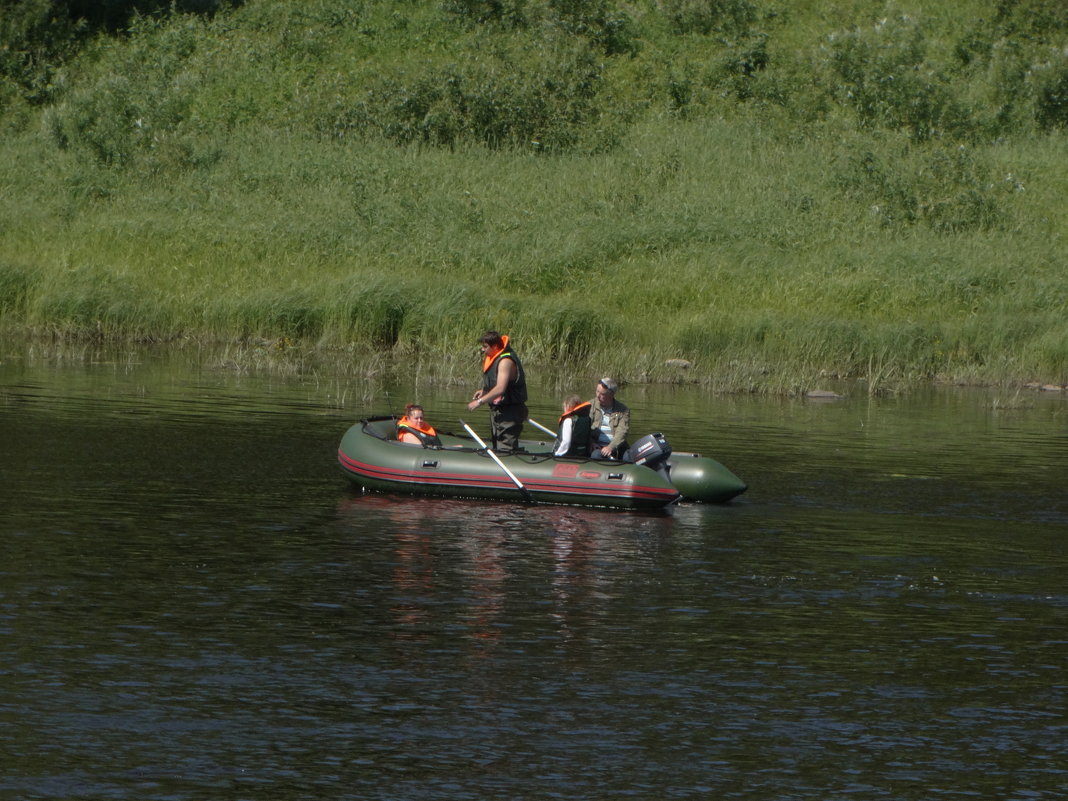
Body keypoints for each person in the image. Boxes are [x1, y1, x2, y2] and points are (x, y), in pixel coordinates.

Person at [467, 330, 528, 453]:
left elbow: (500, 388)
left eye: (485, 347)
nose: (482, 350)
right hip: (499, 411)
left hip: (510, 411)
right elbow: (495, 383)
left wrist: (479, 402)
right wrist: (485, 391)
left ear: (495, 346)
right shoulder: (495, 358)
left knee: (505, 447)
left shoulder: (505, 362)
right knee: (497, 444)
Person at [589, 377, 630, 459]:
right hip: (596, 446)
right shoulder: (589, 406)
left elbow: (622, 431)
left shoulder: (623, 410)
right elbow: (584, 429)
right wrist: (591, 442)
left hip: (616, 446)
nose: (598, 396)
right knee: (596, 455)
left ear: (611, 395)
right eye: (597, 391)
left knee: (629, 456)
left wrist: (610, 447)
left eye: (602, 394)